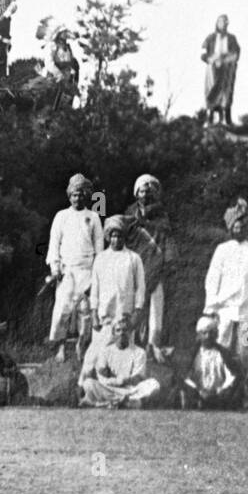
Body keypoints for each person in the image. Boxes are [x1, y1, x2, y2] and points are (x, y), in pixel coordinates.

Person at [45, 173, 104, 362]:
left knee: (85, 312)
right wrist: (55, 269)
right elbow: (54, 244)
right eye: (74, 195)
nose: (77, 198)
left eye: (80, 194)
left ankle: (81, 345)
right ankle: (60, 348)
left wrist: (96, 275)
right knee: (62, 309)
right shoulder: (61, 216)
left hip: (87, 270)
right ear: (69, 196)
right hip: (66, 271)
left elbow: (99, 248)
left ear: (86, 195)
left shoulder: (93, 217)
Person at [204, 204, 248, 369]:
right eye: (236, 227)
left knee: (247, 347)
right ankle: (218, 376)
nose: (239, 230)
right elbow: (212, 278)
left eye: (242, 227)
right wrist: (210, 306)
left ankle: (245, 381)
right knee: (220, 343)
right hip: (224, 307)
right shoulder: (222, 250)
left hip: (247, 307)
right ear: (231, 229)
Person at [126, 174, 172, 354]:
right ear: (136, 193)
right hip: (136, 267)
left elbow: (167, 241)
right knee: (133, 305)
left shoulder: (162, 217)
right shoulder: (130, 215)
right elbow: (126, 240)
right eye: (142, 191)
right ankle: (130, 342)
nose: (146, 195)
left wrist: (168, 261)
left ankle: (153, 344)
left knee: (156, 306)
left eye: (149, 191)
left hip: (156, 268)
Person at [88, 214, 146, 356]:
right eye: (113, 236)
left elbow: (140, 288)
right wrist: (94, 313)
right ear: (108, 237)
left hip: (125, 314)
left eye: (119, 236)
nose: (116, 239)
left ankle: (124, 377)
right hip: (105, 315)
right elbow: (95, 288)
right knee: (102, 351)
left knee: (124, 352)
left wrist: (137, 312)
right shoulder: (101, 259)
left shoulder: (133, 258)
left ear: (124, 237)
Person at [77, 313, 162, 408]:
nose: (122, 333)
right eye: (118, 330)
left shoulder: (139, 352)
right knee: (88, 384)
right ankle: (124, 402)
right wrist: (116, 381)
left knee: (154, 384)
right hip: (109, 388)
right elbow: (102, 377)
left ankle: (107, 403)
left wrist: (122, 380)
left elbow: (138, 378)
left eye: (125, 330)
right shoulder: (105, 351)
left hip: (130, 390)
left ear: (130, 333)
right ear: (113, 333)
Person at [176, 314, 244, 409]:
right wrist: (199, 391)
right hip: (198, 395)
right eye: (204, 333)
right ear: (198, 335)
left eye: (211, 333)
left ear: (216, 334)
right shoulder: (192, 354)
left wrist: (219, 391)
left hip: (219, 396)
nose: (208, 336)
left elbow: (232, 377)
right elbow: (185, 377)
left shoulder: (225, 354)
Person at [201, 14, 240, 127]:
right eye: (220, 22)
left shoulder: (232, 38)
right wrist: (211, 59)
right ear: (217, 23)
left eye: (224, 22)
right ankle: (210, 118)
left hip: (227, 69)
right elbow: (202, 53)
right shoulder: (211, 38)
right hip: (213, 69)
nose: (222, 24)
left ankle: (226, 119)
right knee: (212, 91)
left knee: (226, 93)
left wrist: (226, 59)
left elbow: (236, 53)